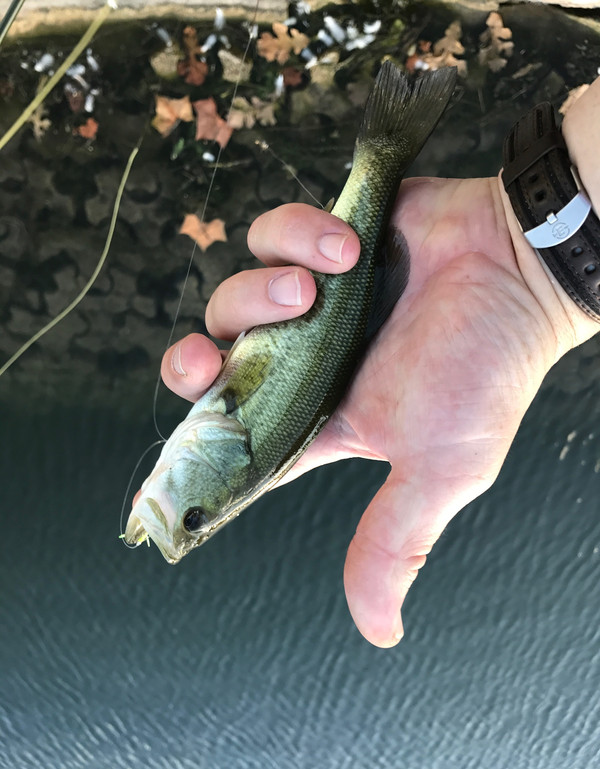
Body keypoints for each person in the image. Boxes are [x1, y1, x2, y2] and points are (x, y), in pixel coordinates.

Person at [159, 76, 600, 648]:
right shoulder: (235, 442)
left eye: (194, 518)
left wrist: (541, 264)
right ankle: (383, 156)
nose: (184, 518)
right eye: (195, 518)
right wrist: (530, 259)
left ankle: (383, 157)